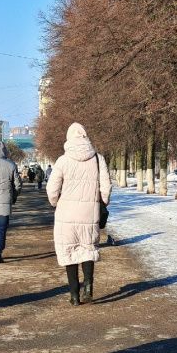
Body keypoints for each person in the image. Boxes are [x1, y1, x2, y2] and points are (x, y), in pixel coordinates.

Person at [48, 123, 111, 305]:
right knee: (87, 250)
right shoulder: (98, 159)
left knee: (69, 251)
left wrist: (55, 203)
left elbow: (52, 189)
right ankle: (89, 288)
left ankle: (74, 295)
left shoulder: (62, 161)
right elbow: (105, 188)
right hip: (89, 214)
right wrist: (101, 203)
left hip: (65, 215)